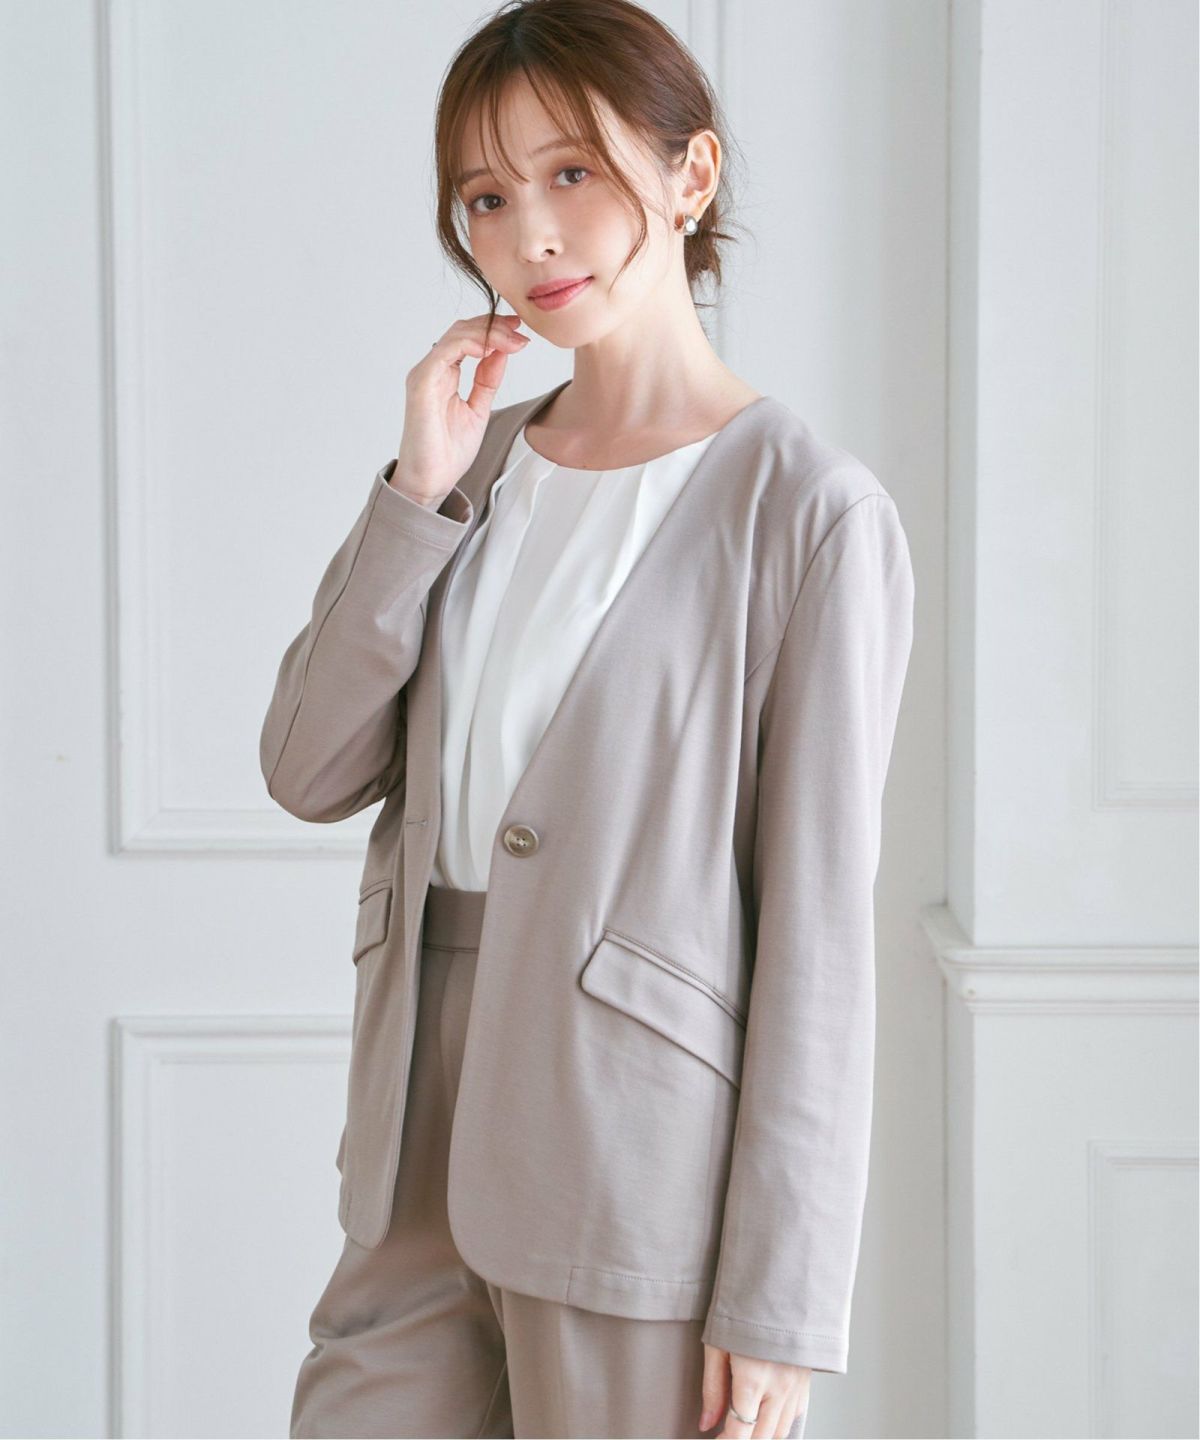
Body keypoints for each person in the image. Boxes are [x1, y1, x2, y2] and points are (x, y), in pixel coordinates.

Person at [265, 2, 916, 1436]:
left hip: (635, 1174)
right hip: (413, 1152)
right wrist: (415, 497)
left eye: (572, 173)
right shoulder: (469, 467)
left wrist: (781, 1301)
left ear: (691, 175)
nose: (530, 236)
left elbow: (818, 940)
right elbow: (309, 768)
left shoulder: (808, 514)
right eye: (486, 199)